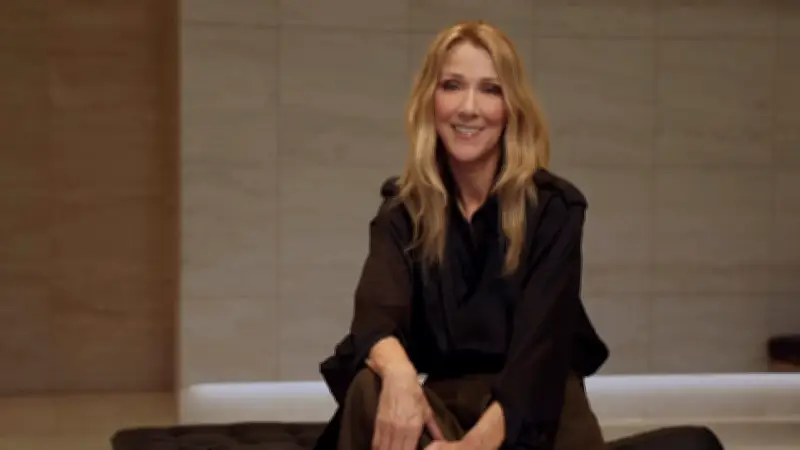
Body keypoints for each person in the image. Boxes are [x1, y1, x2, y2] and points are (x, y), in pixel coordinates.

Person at [312, 20, 610, 450]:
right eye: (452, 86)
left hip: (533, 412)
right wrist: (399, 376)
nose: (469, 108)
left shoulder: (554, 209)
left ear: (511, 107)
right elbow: (375, 318)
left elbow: (539, 356)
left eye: (490, 89)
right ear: (430, 100)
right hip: (442, 410)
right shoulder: (403, 209)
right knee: (369, 386)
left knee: (550, 394)